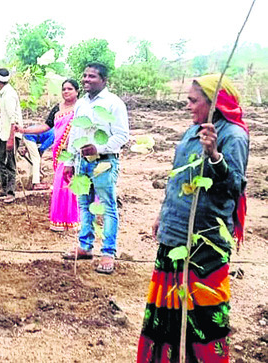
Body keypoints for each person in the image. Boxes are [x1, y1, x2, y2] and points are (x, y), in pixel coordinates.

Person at [137, 75, 248, 363]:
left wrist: (214, 155)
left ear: (214, 104)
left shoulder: (232, 135)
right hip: (176, 233)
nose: (187, 105)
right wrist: (163, 214)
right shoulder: (193, 131)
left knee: (203, 312)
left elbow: (235, 186)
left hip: (205, 239)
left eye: (193, 100)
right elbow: (179, 177)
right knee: (169, 308)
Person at [61, 62, 130, 274]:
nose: (86, 80)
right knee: (84, 204)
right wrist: (69, 162)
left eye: (92, 76)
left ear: (103, 80)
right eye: (84, 75)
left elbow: (122, 136)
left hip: (104, 161)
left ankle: (108, 252)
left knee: (108, 206)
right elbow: (75, 133)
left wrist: (98, 147)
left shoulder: (114, 104)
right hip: (82, 162)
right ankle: (85, 247)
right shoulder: (81, 104)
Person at [18, 79, 81, 231]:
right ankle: (60, 221)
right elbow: (46, 126)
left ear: (77, 91)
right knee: (60, 183)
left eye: (70, 89)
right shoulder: (57, 108)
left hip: (76, 151)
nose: (66, 91)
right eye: (64, 89)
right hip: (58, 152)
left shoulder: (81, 108)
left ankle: (75, 221)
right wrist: (24, 130)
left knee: (72, 183)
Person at [0, 68, 23, 204]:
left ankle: (11, 192)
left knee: (10, 163)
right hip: (5, 133)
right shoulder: (5, 93)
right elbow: (1, 109)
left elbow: (13, 119)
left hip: (10, 134)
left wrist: (11, 139)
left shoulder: (9, 95)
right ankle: (4, 189)